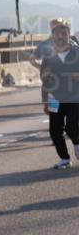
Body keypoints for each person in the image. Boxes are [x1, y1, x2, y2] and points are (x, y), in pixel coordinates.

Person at [40, 19, 79, 170]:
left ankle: (77, 143)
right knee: (55, 130)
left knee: (71, 126)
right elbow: (43, 78)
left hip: (75, 96)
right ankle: (64, 159)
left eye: (64, 34)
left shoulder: (77, 52)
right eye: (57, 34)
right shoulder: (49, 55)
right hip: (55, 97)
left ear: (69, 35)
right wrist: (44, 100)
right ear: (53, 37)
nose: (61, 36)